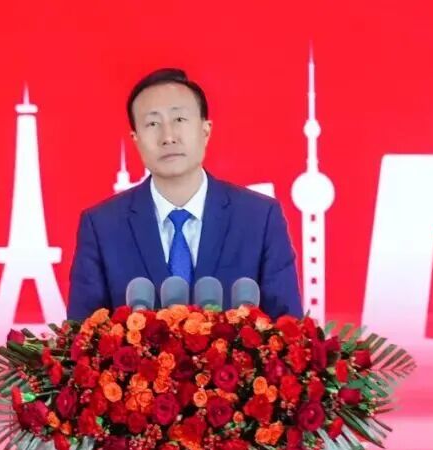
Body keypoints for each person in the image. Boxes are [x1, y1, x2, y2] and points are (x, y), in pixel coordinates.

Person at [66, 67, 304, 320]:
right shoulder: (102, 225)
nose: (168, 137)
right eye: (152, 123)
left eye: (179, 119)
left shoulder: (259, 218)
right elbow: (81, 333)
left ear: (205, 130)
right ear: (136, 139)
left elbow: (289, 328)